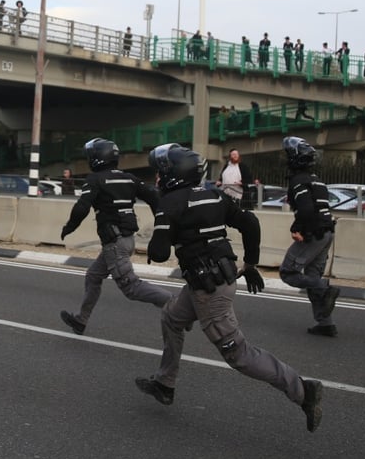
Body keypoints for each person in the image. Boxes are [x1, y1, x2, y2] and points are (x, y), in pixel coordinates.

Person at [135, 143, 324, 433]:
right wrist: (250, 264)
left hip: (209, 291)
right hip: (212, 279)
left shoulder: (170, 204)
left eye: (160, 173)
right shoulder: (213, 194)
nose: (157, 179)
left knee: (239, 355)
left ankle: (302, 391)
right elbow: (249, 222)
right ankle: (165, 383)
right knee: (172, 318)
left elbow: (159, 253)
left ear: (172, 175)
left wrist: (161, 226)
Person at [57, 138, 169, 335]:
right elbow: (155, 197)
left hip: (115, 244)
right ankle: (81, 320)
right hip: (125, 240)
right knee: (93, 276)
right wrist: (162, 227)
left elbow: (82, 207)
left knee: (131, 288)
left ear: (98, 158)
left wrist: (69, 227)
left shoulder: (95, 179)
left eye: (91, 156)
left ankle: (174, 304)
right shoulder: (130, 178)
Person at [279, 137, 341, 337]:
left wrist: (297, 229)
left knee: (288, 272)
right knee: (312, 277)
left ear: (295, 159)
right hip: (327, 232)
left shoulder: (298, 182)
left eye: (288, 155)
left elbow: (306, 210)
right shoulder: (317, 180)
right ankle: (325, 323)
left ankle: (325, 288)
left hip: (314, 233)